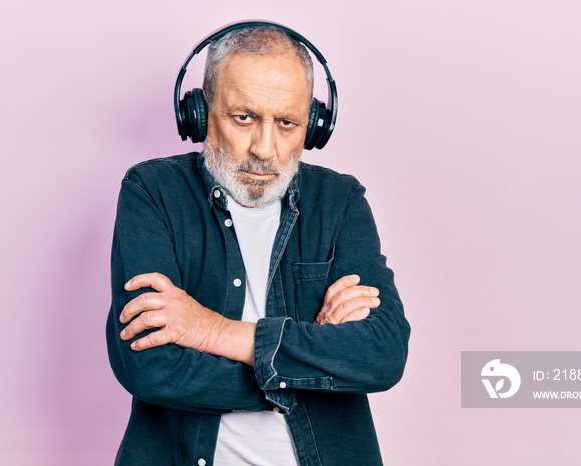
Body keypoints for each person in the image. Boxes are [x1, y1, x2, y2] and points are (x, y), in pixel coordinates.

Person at [107, 22, 410, 466]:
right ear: (200, 112)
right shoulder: (151, 191)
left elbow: (382, 353)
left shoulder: (341, 202)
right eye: (244, 118)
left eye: (287, 123)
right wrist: (316, 362)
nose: (265, 149)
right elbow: (150, 367)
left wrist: (211, 330)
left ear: (314, 125)